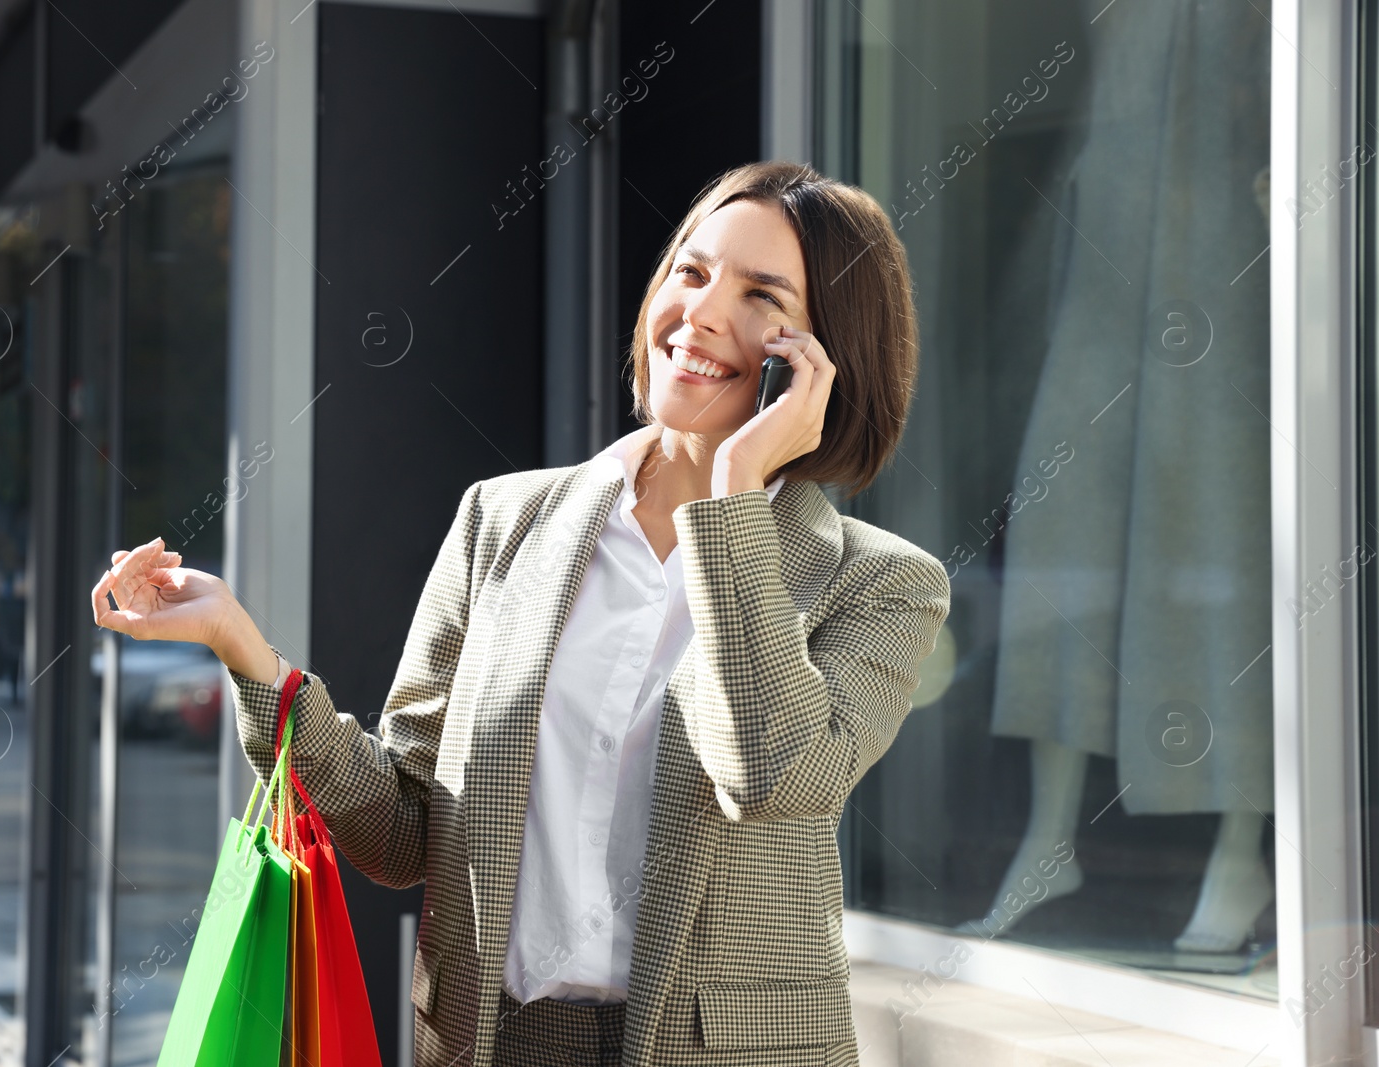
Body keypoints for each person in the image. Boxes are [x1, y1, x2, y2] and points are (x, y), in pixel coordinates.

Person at [92, 160, 951, 1067]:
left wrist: (734, 497)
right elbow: (403, 827)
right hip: (495, 1042)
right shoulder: (502, 521)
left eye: (758, 295)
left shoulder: (884, 584)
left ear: (821, 359)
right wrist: (243, 647)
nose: (699, 313)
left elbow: (771, 773)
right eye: (690, 272)